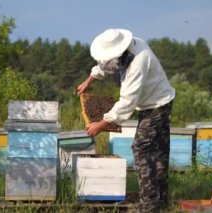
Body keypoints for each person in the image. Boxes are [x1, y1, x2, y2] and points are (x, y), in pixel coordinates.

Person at [76, 28, 175, 213]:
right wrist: (88, 81)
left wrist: (101, 124)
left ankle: (149, 206)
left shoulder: (138, 60)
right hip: (150, 104)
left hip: (158, 104)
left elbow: (127, 103)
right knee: (158, 152)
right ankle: (160, 202)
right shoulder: (121, 51)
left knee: (142, 148)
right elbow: (105, 65)